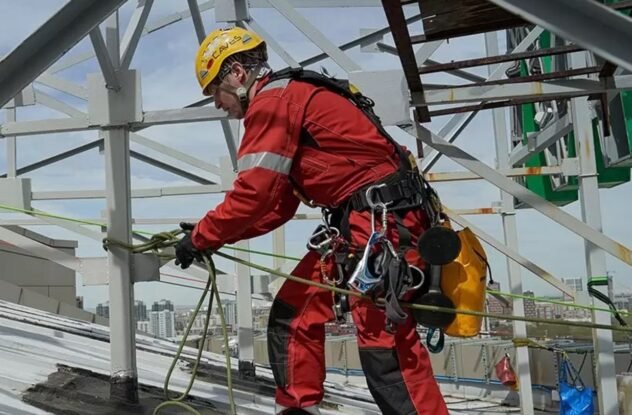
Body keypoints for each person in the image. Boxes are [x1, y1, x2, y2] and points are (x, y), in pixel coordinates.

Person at [174, 27, 450, 415]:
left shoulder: (273, 102)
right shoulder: (290, 97)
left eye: (214, 92)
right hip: (364, 227)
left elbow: (254, 192)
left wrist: (203, 236)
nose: (218, 105)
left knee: (385, 347)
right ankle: (298, 409)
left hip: (380, 229)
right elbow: (277, 205)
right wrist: (212, 239)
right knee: (293, 314)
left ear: (236, 73)